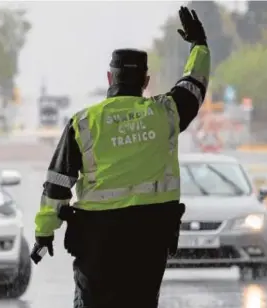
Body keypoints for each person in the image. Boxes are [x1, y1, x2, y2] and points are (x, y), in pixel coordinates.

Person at [31, 6, 210, 308]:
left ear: (109, 77)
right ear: (145, 81)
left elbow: (58, 182)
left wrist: (44, 233)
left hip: (97, 241)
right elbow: (194, 85)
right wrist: (199, 46)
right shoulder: (165, 114)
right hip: (149, 238)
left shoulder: (84, 122)